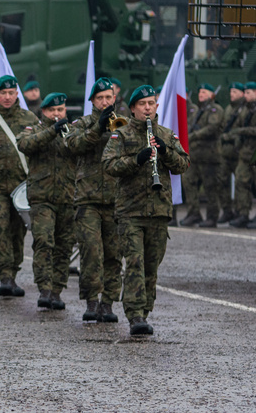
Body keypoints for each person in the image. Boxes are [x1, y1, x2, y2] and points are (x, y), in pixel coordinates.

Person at [102, 85, 189, 336]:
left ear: (156, 107)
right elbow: (108, 165)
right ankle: (135, 314)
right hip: (131, 211)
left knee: (151, 266)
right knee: (135, 264)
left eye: (151, 103)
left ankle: (145, 309)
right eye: (142, 104)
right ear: (132, 108)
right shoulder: (121, 135)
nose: (148, 108)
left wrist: (164, 151)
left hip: (159, 211)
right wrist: (136, 160)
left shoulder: (166, 134)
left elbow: (183, 164)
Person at [0, 75, 39, 297]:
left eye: (11, 93)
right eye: (3, 93)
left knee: (18, 231)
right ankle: (5, 276)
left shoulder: (30, 118)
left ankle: (14, 269)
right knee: (0, 228)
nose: (8, 97)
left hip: (22, 187)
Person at [64, 77, 121, 322]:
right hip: (87, 199)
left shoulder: (122, 123)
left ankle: (107, 303)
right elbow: (74, 145)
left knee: (114, 254)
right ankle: (91, 301)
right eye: (100, 98)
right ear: (92, 101)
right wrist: (98, 127)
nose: (105, 102)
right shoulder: (82, 123)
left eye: (109, 97)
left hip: (116, 199)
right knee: (90, 251)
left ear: (114, 98)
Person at [16, 92, 76, 310]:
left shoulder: (72, 133)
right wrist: (52, 131)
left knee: (64, 246)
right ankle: (45, 289)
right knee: (43, 241)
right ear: (44, 112)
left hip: (68, 197)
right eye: (52, 110)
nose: (57, 114)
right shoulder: (35, 130)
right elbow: (25, 144)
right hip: (42, 198)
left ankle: (57, 290)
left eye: (60, 110)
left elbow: (84, 146)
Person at [181, 83, 222, 227]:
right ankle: (194, 213)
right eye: (200, 92)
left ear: (212, 95)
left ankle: (212, 217)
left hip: (209, 155)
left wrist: (193, 135)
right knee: (189, 182)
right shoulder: (199, 110)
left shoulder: (215, 109)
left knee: (210, 187)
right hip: (195, 154)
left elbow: (212, 128)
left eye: (204, 92)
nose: (201, 95)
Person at [227, 82, 256, 228]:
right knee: (241, 183)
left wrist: (242, 131)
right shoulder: (244, 109)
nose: (246, 95)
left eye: (249, 92)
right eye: (245, 92)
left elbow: (246, 129)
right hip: (245, 153)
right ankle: (243, 214)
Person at [217, 82, 245, 224]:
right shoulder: (228, 108)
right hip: (225, 152)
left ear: (242, 93)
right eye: (231, 92)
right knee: (221, 181)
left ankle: (241, 212)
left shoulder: (245, 108)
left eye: (234, 92)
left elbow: (243, 130)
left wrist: (230, 136)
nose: (231, 94)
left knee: (241, 184)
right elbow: (222, 127)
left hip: (239, 152)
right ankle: (227, 210)